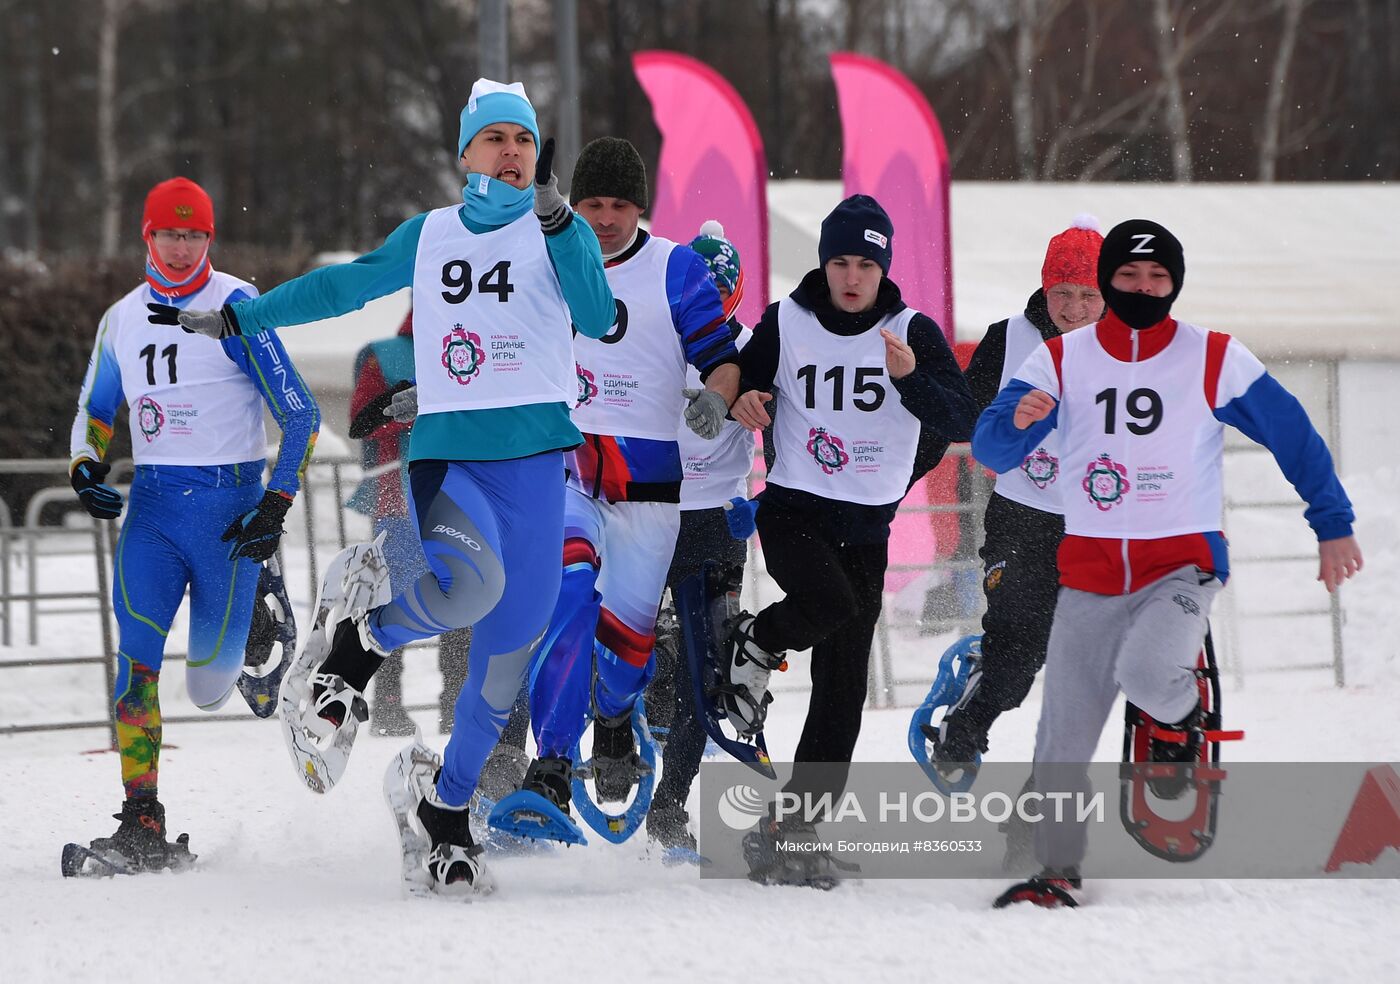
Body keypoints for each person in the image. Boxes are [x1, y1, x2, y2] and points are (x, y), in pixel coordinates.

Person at [154, 79, 615, 895]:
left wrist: (559, 222)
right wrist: (241, 318)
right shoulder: (431, 235)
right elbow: (342, 287)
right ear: (464, 155)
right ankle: (356, 648)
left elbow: (596, 309)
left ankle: (446, 807)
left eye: (522, 140)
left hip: (538, 462)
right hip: (453, 455)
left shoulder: (558, 233)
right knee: (470, 585)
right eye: (494, 139)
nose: (510, 152)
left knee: (509, 658)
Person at [974, 218, 1363, 908]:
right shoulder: (1062, 359)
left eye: (1157, 277)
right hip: (1089, 573)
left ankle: (1182, 715)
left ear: (1174, 283)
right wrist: (1020, 420)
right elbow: (992, 451)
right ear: (1109, 282)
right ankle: (1056, 871)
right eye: (1128, 276)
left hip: (1180, 566)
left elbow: (1292, 432)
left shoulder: (1211, 355)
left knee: (1149, 675)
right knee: (1062, 735)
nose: (1144, 288)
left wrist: (1331, 522)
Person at [68, 176, 320, 871]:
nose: (181, 247)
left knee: (208, 689)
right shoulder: (121, 318)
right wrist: (86, 466)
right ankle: (141, 816)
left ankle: (263, 612)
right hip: (151, 512)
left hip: (228, 516)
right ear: (146, 236)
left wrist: (275, 504)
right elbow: (96, 407)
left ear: (211, 238)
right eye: (168, 234)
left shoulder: (237, 305)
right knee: (134, 671)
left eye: (195, 234)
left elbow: (300, 413)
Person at [727, 195, 978, 883]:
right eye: (840, 259)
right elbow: (739, 381)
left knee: (841, 693)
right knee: (830, 605)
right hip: (794, 514)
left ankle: (792, 830)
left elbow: (962, 418)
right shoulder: (786, 321)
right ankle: (756, 639)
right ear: (824, 262)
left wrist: (909, 380)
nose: (851, 275)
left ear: (883, 268)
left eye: (866, 263)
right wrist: (745, 398)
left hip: (866, 530)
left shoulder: (912, 331)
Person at [520, 139, 740, 829]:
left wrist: (716, 397)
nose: (606, 218)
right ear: (573, 206)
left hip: (649, 485)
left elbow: (723, 359)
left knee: (625, 649)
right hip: (568, 466)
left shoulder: (676, 268)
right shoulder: (541, 260)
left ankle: (614, 717)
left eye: (620, 205)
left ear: (641, 208)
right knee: (568, 591)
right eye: (593, 204)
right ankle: (551, 763)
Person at [926, 215, 1104, 770]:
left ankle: (1041, 805)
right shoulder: (1010, 339)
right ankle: (970, 721)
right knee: (1020, 645)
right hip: (1023, 513)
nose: (1074, 309)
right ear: (1045, 289)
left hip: (1099, 524)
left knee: (1083, 668)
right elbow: (960, 417)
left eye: (1088, 296)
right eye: (1062, 293)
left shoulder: (1131, 349)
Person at [637, 220, 753, 852]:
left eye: (721, 290)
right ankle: (580, 767)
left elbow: (790, 427)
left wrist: (759, 501)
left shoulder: (751, 346)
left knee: (708, 673)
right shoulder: (655, 337)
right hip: (647, 513)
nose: (710, 302)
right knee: (615, 640)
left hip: (715, 522)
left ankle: (670, 808)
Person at [347, 310, 469, 738]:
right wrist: (403, 410)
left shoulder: (385, 355)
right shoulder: (387, 355)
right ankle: (418, 703)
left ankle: (414, 703)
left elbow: (360, 421)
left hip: (417, 500)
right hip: (413, 501)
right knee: (452, 599)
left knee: (400, 603)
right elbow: (361, 422)